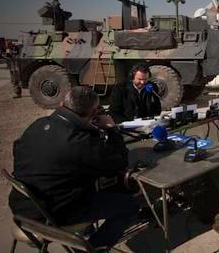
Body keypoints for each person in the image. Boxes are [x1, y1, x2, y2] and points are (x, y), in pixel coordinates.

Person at [9, 86, 139, 250]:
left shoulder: (38, 124)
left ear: (63, 103)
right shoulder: (79, 142)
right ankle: (92, 248)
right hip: (50, 215)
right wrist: (111, 130)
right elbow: (118, 163)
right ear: (92, 114)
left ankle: (87, 230)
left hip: (22, 207)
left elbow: (19, 151)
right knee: (130, 206)